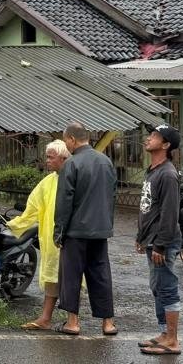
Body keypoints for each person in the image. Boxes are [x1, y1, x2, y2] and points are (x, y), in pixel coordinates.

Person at [53, 121, 117, 336]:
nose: (67, 146)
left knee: (71, 276)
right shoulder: (106, 162)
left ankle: (73, 322)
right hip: (100, 230)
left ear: (72, 139)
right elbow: (112, 197)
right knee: (101, 275)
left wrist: (58, 231)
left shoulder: (71, 164)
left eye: (66, 142)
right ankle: (108, 323)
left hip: (76, 231)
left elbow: (64, 202)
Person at [8, 139, 71, 331]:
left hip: (72, 237)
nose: (47, 161)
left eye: (51, 157)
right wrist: (14, 224)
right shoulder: (48, 181)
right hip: (52, 238)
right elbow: (33, 207)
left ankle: (73, 319)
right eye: (47, 157)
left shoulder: (73, 178)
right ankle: (45, 318)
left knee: (72, 278)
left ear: (63, 158)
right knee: (52, 277)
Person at [136, 123, 182, 356]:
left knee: (166, 288)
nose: (148, 139)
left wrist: (161, 245)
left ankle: (172, 340)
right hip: (152, 239)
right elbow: (149, 208)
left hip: (163, 241)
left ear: (165, 145)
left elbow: (169, 214)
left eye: (154, 136)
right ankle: (164, 333)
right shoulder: (154, 170)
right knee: (157, 287)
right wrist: (141, 237)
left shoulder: (168, 174)